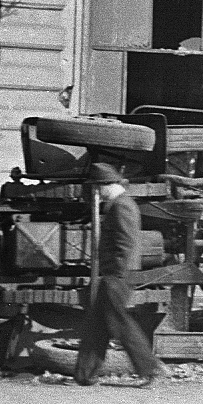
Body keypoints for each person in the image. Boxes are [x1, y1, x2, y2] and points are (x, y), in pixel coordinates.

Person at [74, 163, 165, 387]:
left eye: (97, 188)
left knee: (120, 323)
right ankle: (84, 375)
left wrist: (115, 273)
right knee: (98, 323)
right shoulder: (122, 203)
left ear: (105, 185)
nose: (96, 193)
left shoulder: (121, 206)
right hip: (117, 273)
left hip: (119, 274)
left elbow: (125, 242)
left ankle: (150, 369)